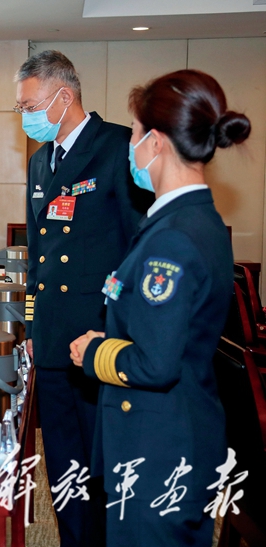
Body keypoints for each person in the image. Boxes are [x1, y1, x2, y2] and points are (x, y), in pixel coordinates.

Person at [70, 69, 250, 546]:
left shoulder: (172, 238)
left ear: (157, 141)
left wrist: (94, 351)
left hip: (157, 446)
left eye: (133, 133)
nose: (129, 146)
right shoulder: (192, 219)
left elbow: (155, 363)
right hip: (172, 436)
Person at [14, 50, 152, 547]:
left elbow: (140, 249)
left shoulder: (117, 148)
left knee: (105, 466)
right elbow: (38, 258)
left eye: (30, 105)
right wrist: (33, 329)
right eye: (20, 107)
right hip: (53, 341)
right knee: (65, 467)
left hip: (100, 339)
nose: (25, 116)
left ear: (63, 96)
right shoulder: (40, 162)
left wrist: (117, 329)